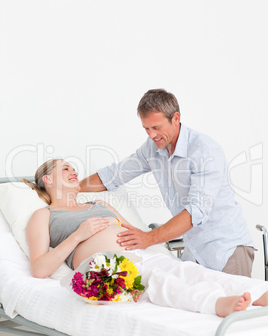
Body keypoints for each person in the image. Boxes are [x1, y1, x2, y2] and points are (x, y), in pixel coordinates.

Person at [24, 158, 268, 318]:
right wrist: (79, 235)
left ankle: (256, 294)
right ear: (49, 179)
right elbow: (39, 269)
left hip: (139, 255)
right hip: (99, 270)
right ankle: (216, 304)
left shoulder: (98, 202)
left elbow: (134, 231)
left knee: (190, 272)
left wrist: (116, 222)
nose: (74, 171)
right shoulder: (44, 215)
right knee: (155, 281)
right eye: (65, 169)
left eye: (74, 168)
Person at [80, 89, 254, 277]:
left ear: (176, 118)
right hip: (194, 253)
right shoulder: (152, 149)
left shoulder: (204, 151)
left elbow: (196, 212)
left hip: (225, 251)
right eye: (146, 128)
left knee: (234, 305)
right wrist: (70, 187)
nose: (151, 135)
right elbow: (114, 175)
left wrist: (148, 238)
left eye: (156, 127)